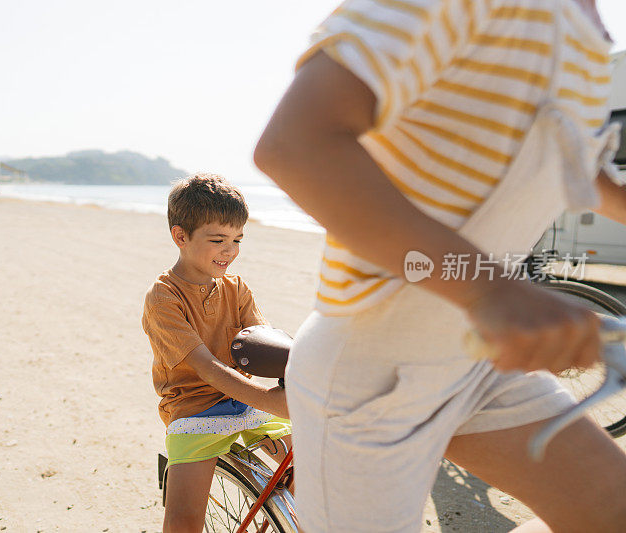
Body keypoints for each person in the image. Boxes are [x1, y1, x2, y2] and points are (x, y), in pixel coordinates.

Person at [254, 0, 626, 531]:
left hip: (475, 364)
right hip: (368, 375)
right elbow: (294, 145)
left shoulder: (589, 27)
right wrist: (491, 293)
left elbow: (579, 170)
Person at [142, 173, 291, 532]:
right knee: (184, 519)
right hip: (194, 409)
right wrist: (272, 401)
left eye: (238, 239)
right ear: (181, 236)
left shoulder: (236, 288)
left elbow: (266, 345)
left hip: (245, 401)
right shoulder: (164, 297)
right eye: (218, 239)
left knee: (314, 466)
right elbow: (206, 369)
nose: (230, 250)